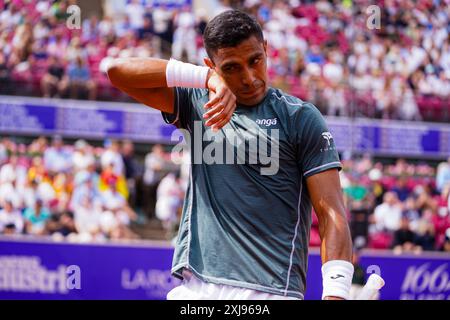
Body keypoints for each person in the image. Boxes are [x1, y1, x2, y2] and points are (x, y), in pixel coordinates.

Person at [107, 10, 353, 300]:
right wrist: (206, 80)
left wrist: (336, 294)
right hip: (197, 290)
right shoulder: (196, 101)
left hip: (269, 292)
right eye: (232, 68)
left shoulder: (299, 117)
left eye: (255, 61)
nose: (248, 78)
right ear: (211, 66)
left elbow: (331, 212)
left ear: (266, 49)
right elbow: (117, 71)